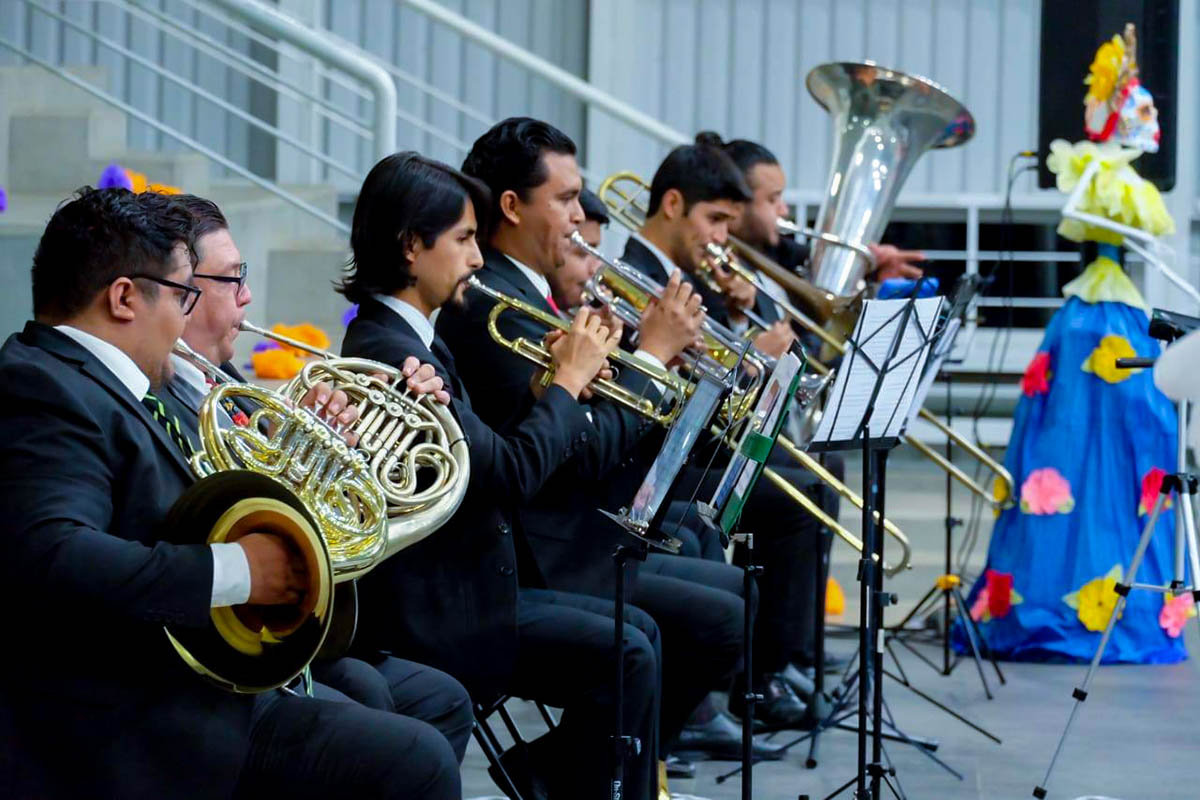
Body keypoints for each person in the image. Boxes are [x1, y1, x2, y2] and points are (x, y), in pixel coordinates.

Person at [0, 186, 459, 799]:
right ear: (125, 298)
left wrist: (319, 457)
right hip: (131, 720)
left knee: (403, 723)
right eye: (183, 295)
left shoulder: (107, 383)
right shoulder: (41, 384)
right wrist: (239, 570)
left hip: (190, 683)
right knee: (414, 757)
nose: (186, 319)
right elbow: (51, 555)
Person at [443, 119, 788, 765]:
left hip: (583, 524)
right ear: (512, 207)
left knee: (734, 594)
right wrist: (649, 360)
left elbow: (598, 432)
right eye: (566, 199)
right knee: (712, 618)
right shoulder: (500, 301)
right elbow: (572, 453)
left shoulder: (531, 290)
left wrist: (641, 371)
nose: (579, 217)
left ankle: (604, 765)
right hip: (545, 546)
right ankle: (590, 767)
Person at [339, 152, 663, 800]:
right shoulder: (387, 350)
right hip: (441, 612)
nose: (478, 258)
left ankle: (579, 781)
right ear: (411, 246)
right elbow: (511, 475)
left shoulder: (417, 339)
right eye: (462, 239)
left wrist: (551, 387)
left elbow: (488, 454)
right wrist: (567, 386)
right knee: (630, 652)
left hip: (478, 582)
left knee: (642, 633)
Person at [165, 193, 475, 762]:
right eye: (233, 279)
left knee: (443, 699)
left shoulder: (226, 380)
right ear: (179, 291)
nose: (248, 295)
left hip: (313, 620)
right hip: (246, 632)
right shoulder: (163, 394)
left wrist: (331, 442)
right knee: (376, 702)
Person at [621, 141, 841, 728]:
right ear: (672, 204)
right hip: (655, 466)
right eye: (715, 220)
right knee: (793, 501)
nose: (724, 236)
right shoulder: (636, 276)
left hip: (684, 454)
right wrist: (750, 364)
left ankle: (782, 662)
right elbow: (665, 399)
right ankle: (757, 676)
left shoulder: (687, 278)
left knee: (813, 482)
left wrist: (743, 332)